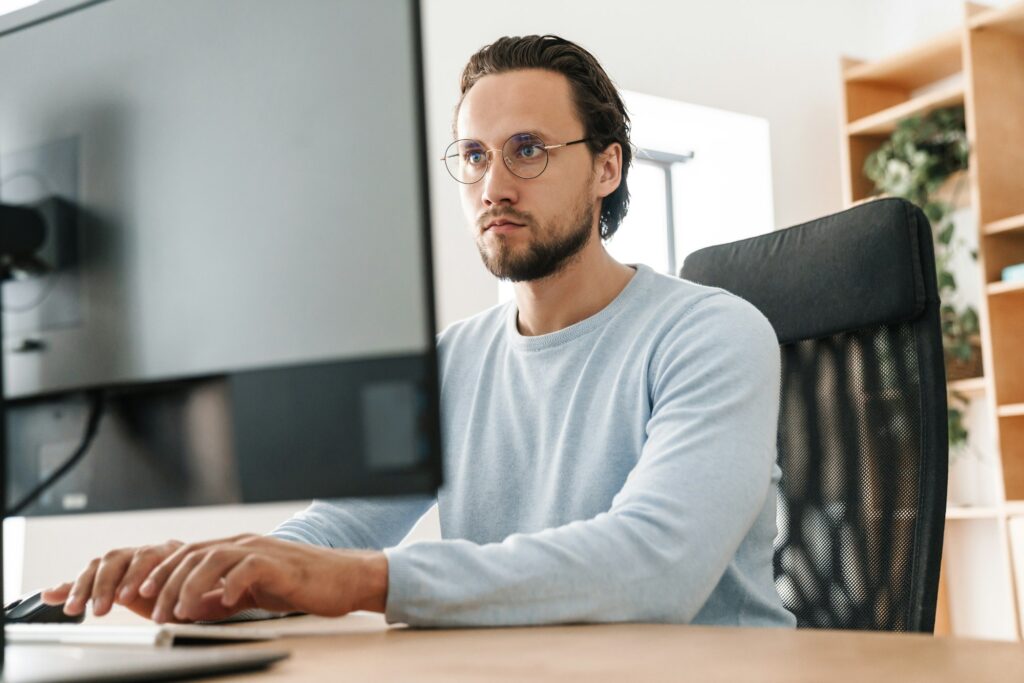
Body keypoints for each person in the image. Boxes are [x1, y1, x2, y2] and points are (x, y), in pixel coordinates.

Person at [42, 35, 796, 629]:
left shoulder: (713, 334)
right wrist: (231, 571)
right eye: (473, 156)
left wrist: (365, 580)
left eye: (526, 150)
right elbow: (339, 526)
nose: (493, 185)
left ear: (606, 168)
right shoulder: (448, 361)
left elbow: (655, 565)